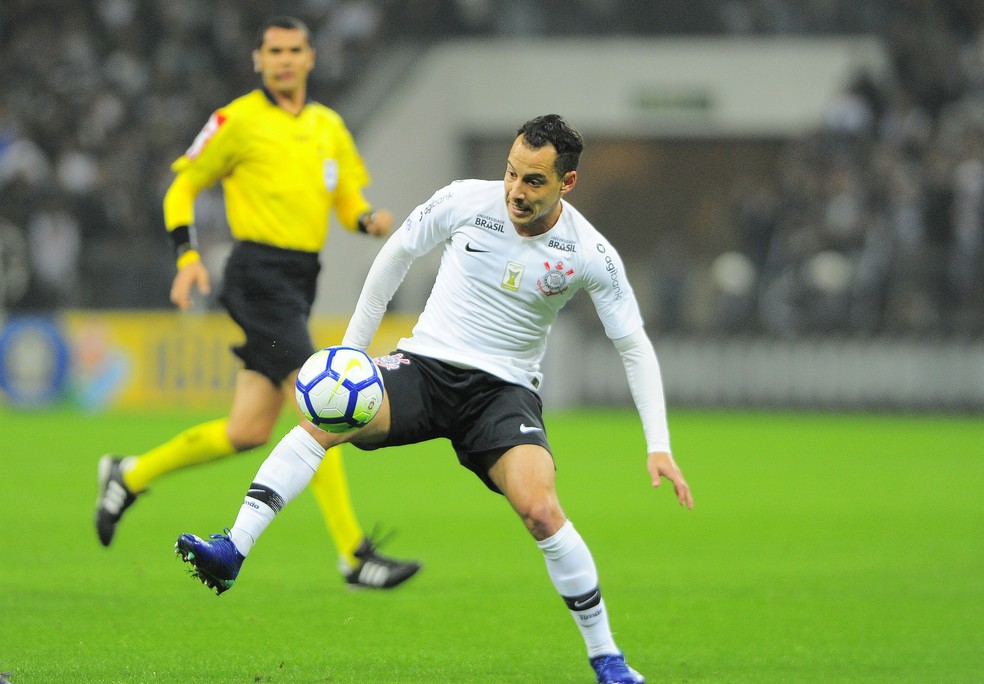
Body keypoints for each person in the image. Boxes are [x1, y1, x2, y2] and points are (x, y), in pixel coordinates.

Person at [176, 114, 693, 684]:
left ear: (566, 184)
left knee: (542, 512)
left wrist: (659, 445)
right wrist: (351, 353)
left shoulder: (590, 252)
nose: (516, 191)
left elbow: (634, 346)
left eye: (534, 182)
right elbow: (395, 255)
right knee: (324, 417)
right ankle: (232, 550)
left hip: (503, 395)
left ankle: (608, 660)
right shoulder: (465, 200)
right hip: (424, 367)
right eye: (511, 173)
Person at [94, 15, 420, 590]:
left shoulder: (329, 127)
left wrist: (366, 220)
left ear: (311, 58)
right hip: (256, 274)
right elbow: (182, 186)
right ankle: (354, 554)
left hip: (299, 277)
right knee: (324, 400)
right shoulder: (235, 121)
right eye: (275, 51)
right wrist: (187, 257)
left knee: (247, 429)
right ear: (258, 60)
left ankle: (128, 473)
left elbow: (344, 198)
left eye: (295, 50)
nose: (286, 59)